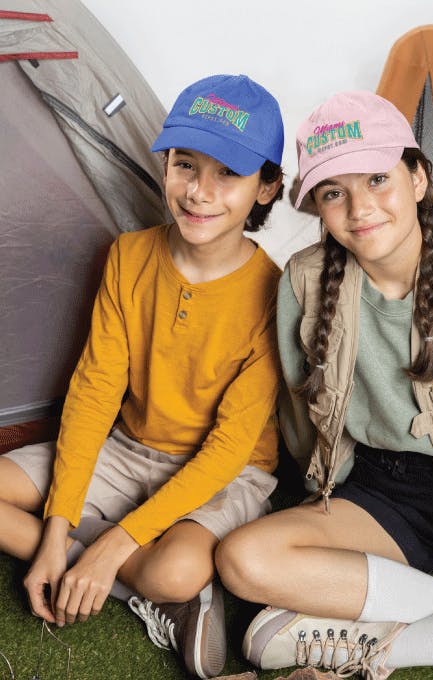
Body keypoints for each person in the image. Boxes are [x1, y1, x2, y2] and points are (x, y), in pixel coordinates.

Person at [216, 91, 433, 680]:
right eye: (334, 193)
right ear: (319, 208)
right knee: (243, 559)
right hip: (385, 491)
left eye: (378, 179)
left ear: (418, 178)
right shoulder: (304, 281)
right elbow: (300, 408)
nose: (360, 208)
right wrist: (319, 494)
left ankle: (387, 648)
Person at [0, 73, 285, 679]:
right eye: (185, 165)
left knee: (174, 571)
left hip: (223, 469)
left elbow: (229, 449)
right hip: (127, 448)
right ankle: (126, 576)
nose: (199, 192)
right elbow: (93, 392)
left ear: (267, 187)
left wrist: (114, 544)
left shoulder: (276, 294)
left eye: (228, 173)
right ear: (166, 163)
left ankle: (156, 579)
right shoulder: (129, 255)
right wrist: (54, 535)